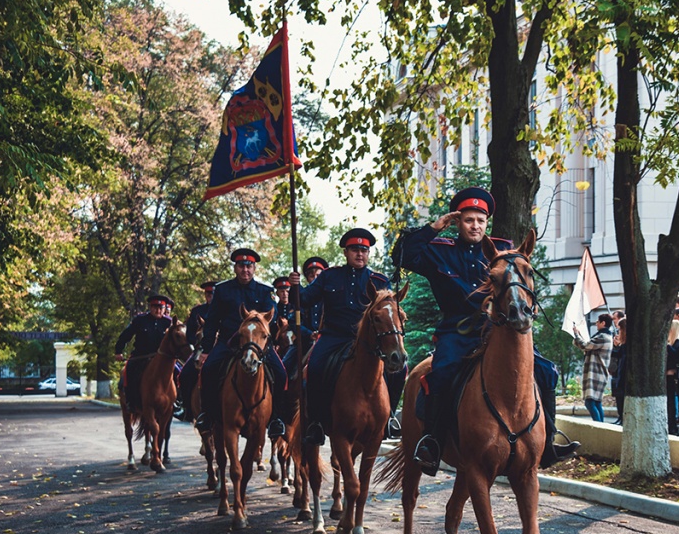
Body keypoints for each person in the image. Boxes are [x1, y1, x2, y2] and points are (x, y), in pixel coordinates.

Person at [391, 186, 579, 475]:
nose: (475, 226)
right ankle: (432, 442)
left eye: (480, 220)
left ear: (486, 223)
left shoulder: (500, 252)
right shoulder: (440, 251)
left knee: (546, 370)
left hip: (498, 330)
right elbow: (402, 255)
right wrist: (434, 226)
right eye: (468, 220)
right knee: (441, 374)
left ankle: (549, 441)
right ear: (458, 222)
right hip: (458, 332)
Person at [288, 228, 400, 446]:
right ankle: (317, 422)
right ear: (346, 252)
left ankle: (389, 418)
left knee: (400, 368)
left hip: (369, 341)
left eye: (364, 250)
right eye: (355, 250)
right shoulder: (329, 276)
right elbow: (304, 299)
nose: (360, 254)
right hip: (334, 337)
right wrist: (294, 287)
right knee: (315, 368)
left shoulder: (379, 281)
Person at [195, 248, 288, 440]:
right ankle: (208, 414)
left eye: (249, 266)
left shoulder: (265, 291)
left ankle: (276, 418)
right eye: (241, 266)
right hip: (229, 343)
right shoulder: (222, 290)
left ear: (254, 268)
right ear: (235, 268)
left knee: (280, 373)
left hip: (257, 345)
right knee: (208, 370)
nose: (245, 270)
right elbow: (212, 322)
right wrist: (205, 350)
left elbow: (273, 317)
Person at [115, 294, 174, 411]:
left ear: (164, 308)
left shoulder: (169, 323)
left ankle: (176, 401)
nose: (158, 310)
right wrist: (118, 351)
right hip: (141, 356)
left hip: (162, 359)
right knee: (128, 372)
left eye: (160, 308)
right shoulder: (140, 320)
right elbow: (126, 335)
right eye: (155, 307)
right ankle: (131, 401)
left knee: (178, 373)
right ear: (150, 307)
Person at [177, 282, 216, 421]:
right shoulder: (197, 311)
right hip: (200, 349)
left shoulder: (225, 309)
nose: (210, 296)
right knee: (184, 375)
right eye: (208, 294)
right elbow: (189, 334)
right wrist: (198, 342)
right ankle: (187, 409)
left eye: (213, 294)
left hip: (219, 348)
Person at [574, 313, 614, 423]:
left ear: (603, 323)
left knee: (590, 402)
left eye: (598, 321)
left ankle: (599, 425)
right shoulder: (605, 336)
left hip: (595, 373)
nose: (596, 323)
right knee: (596, 402)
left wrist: (577, 335)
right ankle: (602, 426)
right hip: (598, 373)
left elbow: (586, 346)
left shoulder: (602, 337)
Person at [665, 319, 679, 435]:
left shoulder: (678, 342)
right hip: (666, 375)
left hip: (672, 376)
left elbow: (676, 356)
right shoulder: (670, 343)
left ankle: (673, 425)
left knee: (671, 402)